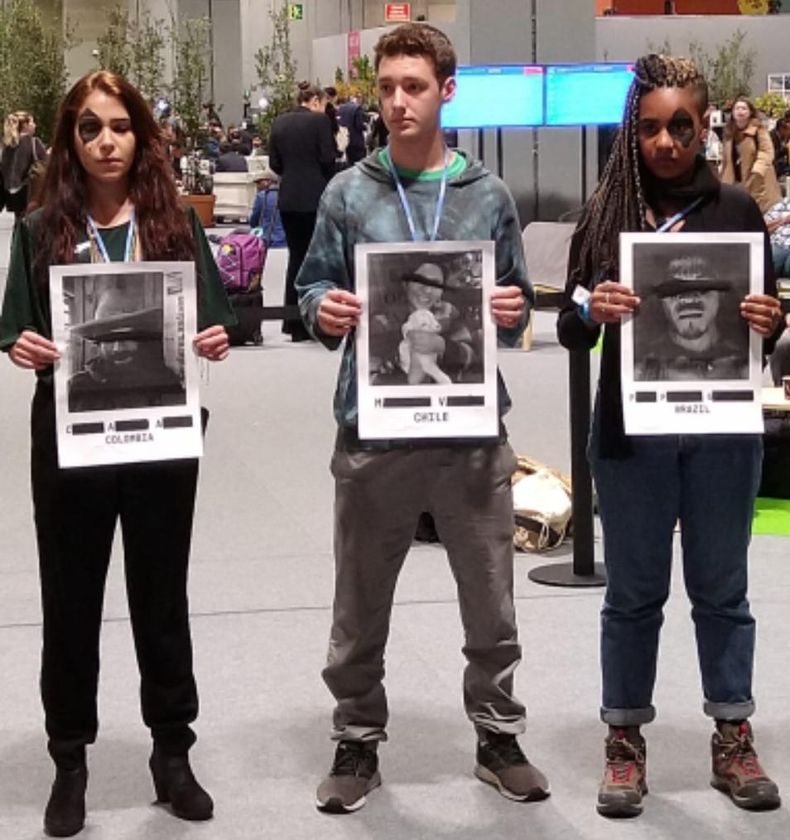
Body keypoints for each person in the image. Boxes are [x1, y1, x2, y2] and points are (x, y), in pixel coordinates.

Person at [296, 22, 548, 815]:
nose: (399, 103)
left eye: (415, 86)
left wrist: (513, 307)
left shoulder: (489, 196)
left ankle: (498, 733)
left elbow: (515, 309)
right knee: (360, 601)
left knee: (491, 599)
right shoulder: (349, 193)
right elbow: (308, 290)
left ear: (447, 89)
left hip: (470, 433)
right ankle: (358, 738)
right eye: (387, 88)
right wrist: (322, 310)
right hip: (374, 430)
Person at [0, 70, 234, 838]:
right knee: (70, 601)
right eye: (90, 128)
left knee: (161, 597)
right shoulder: (40, 232)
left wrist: (213, 334)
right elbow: (15, 329)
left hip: (162, 439)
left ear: (142, 135)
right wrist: (21, 345)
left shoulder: (174, 227)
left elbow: (214, 315)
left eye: (121, 127)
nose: (107, 141)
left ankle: (172, 754)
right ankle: (70, 760)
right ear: (68, 141)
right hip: (69, 439)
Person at [557, 54, 783, 819]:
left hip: (723, 432)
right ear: (633, 129)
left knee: (723, 592)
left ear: (705, 123)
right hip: (633, 436)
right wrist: (594, 311)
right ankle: (624, 742)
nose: (664, 141)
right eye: (649, 127)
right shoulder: (610, 211)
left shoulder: (736, 212)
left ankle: (732, 734)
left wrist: (769, 318)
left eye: (679, 126)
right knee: (632, 596)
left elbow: (769, 309)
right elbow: (566, 322)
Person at [269, 82, 336, 341]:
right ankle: (312, 319)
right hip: (315, 197)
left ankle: (292, 322)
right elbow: (327, 159)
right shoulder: (319, 123)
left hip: (287, 198)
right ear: (317, 101)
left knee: (295, 256)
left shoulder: (279, 122)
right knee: (315, 258)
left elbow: (275, 163)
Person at [67, 280, 186, 412]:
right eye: (109, 339)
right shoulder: (78, 387)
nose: (118, 348)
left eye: (128, 336)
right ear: (98, 342)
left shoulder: (166, 382)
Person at [634, 253, 748, 381]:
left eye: (702, 288)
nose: (688, 300)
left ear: (720, 295)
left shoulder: (744, 363)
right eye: (674, 290)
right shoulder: (643, 368)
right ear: (662, 302)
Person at [369, 260, 477, 385]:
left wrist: (443, 346)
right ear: (406, 284)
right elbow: (370, 371)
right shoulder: (383, 320)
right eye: (420, 281)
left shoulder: (449, 313)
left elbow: (472, 358)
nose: (427, 290)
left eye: (436, 284)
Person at [720, 96, 782, 213]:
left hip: (758, 182)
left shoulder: (758, 130)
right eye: (737, 108)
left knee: (760, 214)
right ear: (732, 112)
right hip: (735, 182)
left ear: (750, 112)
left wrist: (757, 171)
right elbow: (726, 159)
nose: (740, 111)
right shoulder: (728, 133)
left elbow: (767, 151)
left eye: (744, 108)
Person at [1, 110, 46, 218]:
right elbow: (45, 169)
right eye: (32, 122)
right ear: (25, 125)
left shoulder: (7, 147)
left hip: (13, 199)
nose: (35, 125)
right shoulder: (34, 142)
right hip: (30, 198)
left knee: (19, 227)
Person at [248, 169, 286, 247]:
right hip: (285, 240)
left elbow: (253, 221)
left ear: (268, 181)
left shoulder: (262, 196)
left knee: (237, 231)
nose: (257, 186)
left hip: (267, 240)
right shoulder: (287, 195)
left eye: (259, 182)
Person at [337, 94, 367, 165]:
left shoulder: (341, 108)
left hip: (346, 140)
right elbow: (359, 125)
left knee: (350, 162)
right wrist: (365, 126)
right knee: (360, 163)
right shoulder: (357, 108)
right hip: (357, 140)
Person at [769, 113, 790, 180]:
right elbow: (773, 155)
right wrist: (785, 148)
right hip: (773, 167)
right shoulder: (771, 137)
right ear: (782, 129)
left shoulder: (784, 136)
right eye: (788, 130)